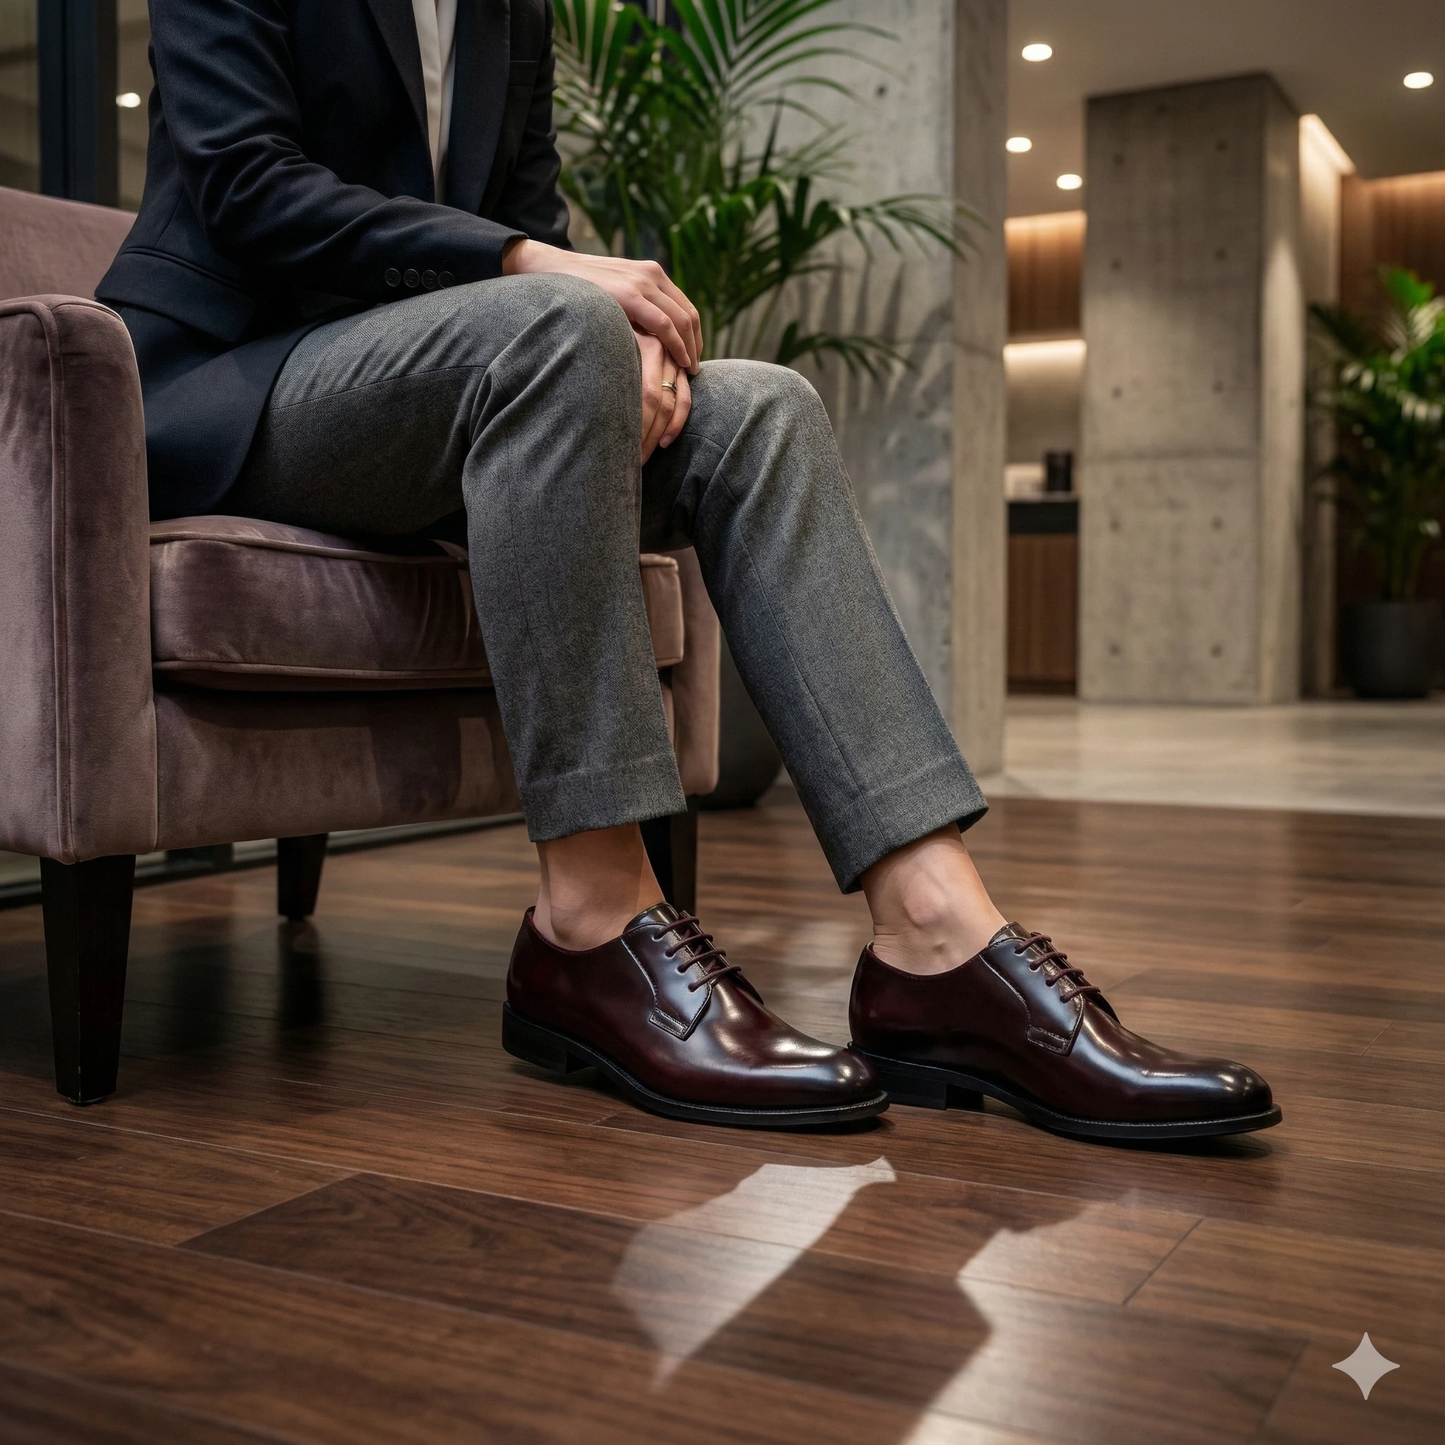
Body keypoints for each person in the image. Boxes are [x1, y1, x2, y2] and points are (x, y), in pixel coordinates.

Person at [98, 0, 1279, 1141]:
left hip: (446, 389)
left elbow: (529, 220)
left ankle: (934, 937)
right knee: (558, 329)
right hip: (238, 385)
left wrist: (619, 338)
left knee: (762, 408)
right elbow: (247, 188)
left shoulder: (512, 11)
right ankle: (590, 918)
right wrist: (550, 286)